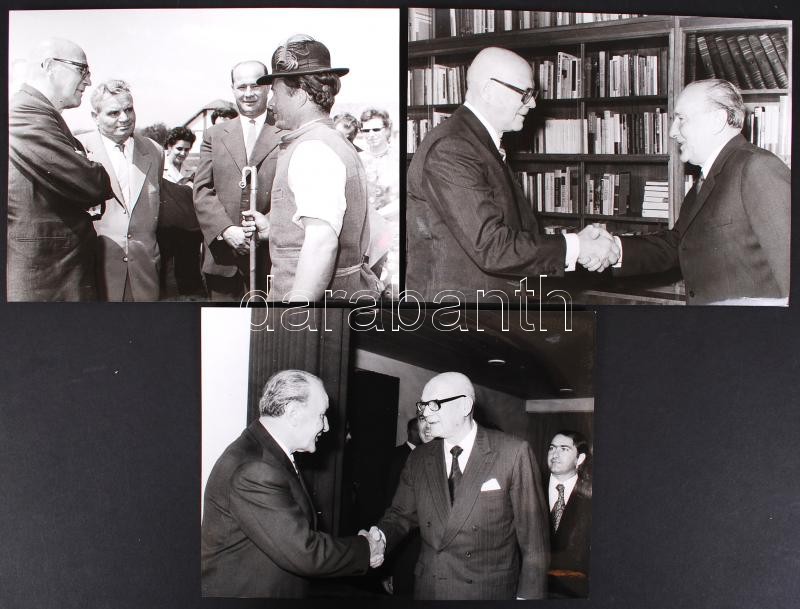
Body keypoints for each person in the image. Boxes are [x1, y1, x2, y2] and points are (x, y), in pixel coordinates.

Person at [406, 46, 618, 301]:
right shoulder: (453, 147)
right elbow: (492, 247)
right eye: (525, 93)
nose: (533, 103)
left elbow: (514, 232)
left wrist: (578, 245)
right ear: (489, 91)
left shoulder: (475, 142)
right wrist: (577, 246)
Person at [201, 369, 384, 598]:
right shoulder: (255, 468)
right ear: (293, 413)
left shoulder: (266, 454)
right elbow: (305, 552)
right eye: (321, 415)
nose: (327, 426)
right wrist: (366, 548)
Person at [371, 372, 548, 600]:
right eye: (423, 405)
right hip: (430, 589)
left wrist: (527, 598)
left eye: (434, 404)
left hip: (486, 593)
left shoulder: (513, 453)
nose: (425, 413)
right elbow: (399, 515)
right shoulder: (419, 458)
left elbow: (534, 541)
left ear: (465, 406)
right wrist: (381, 538)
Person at [612, 79, 790, 305]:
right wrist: (614, 250)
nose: (672, 132)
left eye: (681, 119)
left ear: (717, 120)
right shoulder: (706, 180)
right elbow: (677, 245)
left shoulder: (757, 167)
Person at [242, 35, 381, 302]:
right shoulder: (330, 141)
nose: (270, 103)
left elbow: (321, 243)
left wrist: (297, 315)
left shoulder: (312, 149)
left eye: (275, 92)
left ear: (301, 94)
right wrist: (275, 228)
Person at [8, 37, 113, 301]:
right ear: (49, 66)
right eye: (82, 69)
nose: (89, 81)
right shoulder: (24, 113)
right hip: (47, 282)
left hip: (57, 277)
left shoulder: (42, 115)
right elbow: (92, 183)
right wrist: (90, 168)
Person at [193, 60, 282, 301]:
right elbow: (202, 190)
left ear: (268, 87)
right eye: (242, 87)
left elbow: (292, 190)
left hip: (271, 260)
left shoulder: (285, 131)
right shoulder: (213, 135)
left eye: (255, 86)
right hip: (223, 260)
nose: (248, 94)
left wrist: (268, 225)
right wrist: (226, 230)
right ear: (232, 89)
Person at [76, 80, 164, 301]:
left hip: (144, 274)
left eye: (129, 109)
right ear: (95, 117)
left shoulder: (155, 151)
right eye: (114, 113)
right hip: (95, 272)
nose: (124, 118)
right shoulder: (78, 149)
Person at [158, 127, 206, 299]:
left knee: (188, 271)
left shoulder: (190, 171)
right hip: (165, 231)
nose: (183, 153)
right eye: (179, 148)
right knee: (166, 273)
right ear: (169, 146)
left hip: (189, 231)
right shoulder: (158, 168)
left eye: (187, 149)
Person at [546, 430, 591, 598]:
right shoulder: (530, 487)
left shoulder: (591, 496)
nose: (555, 454)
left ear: (580, 459)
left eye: (564, 449)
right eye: (552, 448)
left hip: (576, 591)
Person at [359, 108, 399, 294]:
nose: (371, 134)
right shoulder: (358, 159)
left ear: (387, 129)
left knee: (391, 290)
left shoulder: (397, 159)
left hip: (393, 233)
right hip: (366, 234)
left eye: (376, 129)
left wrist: (378, 215)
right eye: (366, 130)